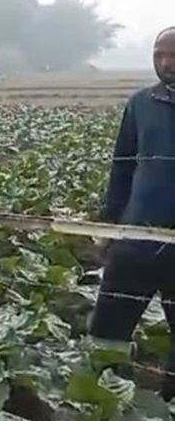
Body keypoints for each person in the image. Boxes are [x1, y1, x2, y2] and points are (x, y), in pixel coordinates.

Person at [89, 27, 175, 400]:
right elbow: (122, 168)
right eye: (159, 54)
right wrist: (110, 225)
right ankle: (103, 395)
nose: (166, 63)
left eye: (173, 55)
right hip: (137, 238)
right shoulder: (141, 104)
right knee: (108, 328)